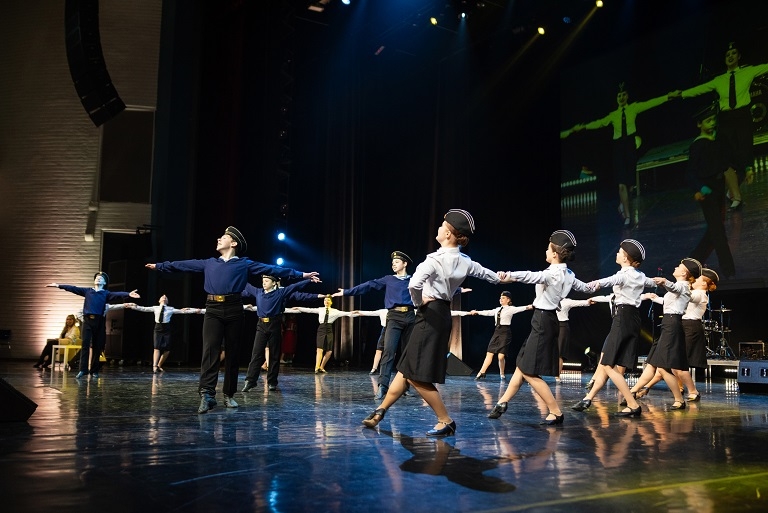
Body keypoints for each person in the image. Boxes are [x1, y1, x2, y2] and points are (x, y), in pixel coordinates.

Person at [145, 226, 320, 414]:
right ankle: (207, 394)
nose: (219, 239)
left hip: (234, 308)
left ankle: (229, 394)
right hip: (213, 308)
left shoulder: (244, 264)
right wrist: (160, 266)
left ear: (234, 243)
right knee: (210, 350)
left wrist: (301, 275)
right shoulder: (209, 263)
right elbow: (184, 265)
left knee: (232, 352)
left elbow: (272, 268)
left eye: (223, 237)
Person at [361, 209, 501, 436]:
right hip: (443, 314)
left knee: (415, 375)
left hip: (429, 315)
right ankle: (380, 410)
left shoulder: (434, 260)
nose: (438, 228)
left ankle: (445, 420)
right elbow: (493, 277)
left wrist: (419, 303)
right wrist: (509, 276)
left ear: (448, 234)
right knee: (406, 369)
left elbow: (414, 285)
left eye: (442, 226)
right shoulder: (465, 261)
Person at [487, 230, 593, 425]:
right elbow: (585, 288)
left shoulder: (552, 273)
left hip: (543, 320)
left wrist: (507, 275)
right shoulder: (569, 274)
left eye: (547, 248)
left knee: (529, 371)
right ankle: (502, 403)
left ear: (555, 254)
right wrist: (596, 286)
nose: (545, 251)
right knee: (523, 364)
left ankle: (556, 411)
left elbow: (529, 276)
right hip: (545, 320)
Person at [562, 83, 679, 226]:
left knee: (630, 185)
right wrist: (584, 127)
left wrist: (668, 96)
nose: (621, 97)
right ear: (616, 98)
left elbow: (651, 103)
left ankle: (622, 204)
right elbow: (600, 123)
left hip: (630, 145)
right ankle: (628, 217)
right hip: (618, 147)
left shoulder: (634, 108)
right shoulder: (613, 115)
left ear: (627, 96)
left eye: (623, 95)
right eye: (619, 95)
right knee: (621, 184)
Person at [570, 239, 655, 417]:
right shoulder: (639, 275)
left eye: (619, 252)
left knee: (607, 364)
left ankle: (632, 404)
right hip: (632, 320)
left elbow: (609, 281)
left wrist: (592, 284)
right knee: (606, 362)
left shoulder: (624, 274)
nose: (616, 253)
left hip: (622, 319)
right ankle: (588, 398)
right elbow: (651, 282)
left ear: (625, 258)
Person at [680, 42, 767, 210]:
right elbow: (700, 89)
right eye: (728, 54)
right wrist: (681, 94)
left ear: (739, 56)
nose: (730, 56)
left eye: (734, 53)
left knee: (744, 158)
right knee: (726, 158)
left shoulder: (748, 71)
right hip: (726, 119)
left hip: (742, 117)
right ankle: (736, 196)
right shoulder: (719, 80)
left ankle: (733, 192)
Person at [332, 251, 415, 399]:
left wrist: (456, 290)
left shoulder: (414, 280)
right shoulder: (389, 279)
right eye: (392, 262)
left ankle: (404, 385)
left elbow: (434, 287)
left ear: (405, 264)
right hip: (394, 316)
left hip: (410, 316)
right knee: (388, 351)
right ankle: (383, 385)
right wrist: (347, 292)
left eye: (397, 262)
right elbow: (368, 285)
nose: (393, 264)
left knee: (408, 353)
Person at [634, 268, 718, 402]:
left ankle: (691, 391)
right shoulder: (690, 292)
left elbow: (687, 296)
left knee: (676, 365)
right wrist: (655, 298)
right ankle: (649, 388)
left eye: (698, 279)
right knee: (670, 364)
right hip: (681, 325)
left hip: (690, 328)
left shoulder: (700, 294)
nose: (694, 280)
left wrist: (676, 285)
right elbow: (675, 301)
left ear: (704, 283)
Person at [627, 258, 702, 410]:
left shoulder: (683, 286)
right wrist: (655, 298)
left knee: (662, 368)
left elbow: (675, 288)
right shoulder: (679, 287)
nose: (675, 267)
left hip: (672, 325)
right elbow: (670, 301)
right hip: (668, 324)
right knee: (652, 364)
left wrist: (664, 282)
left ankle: (679, 399)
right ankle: (632, 392)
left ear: (684, 273)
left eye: (679, 266)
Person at [46, 272, 140, 379]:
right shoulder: (88, 291)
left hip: (99, 321)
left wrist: (128, 294)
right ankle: (83, 370)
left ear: (104, 283)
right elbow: (73, 288)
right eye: (97, 278)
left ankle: (94, 371)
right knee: (85, 345)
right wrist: (58, 285)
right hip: (87, 321)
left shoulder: (106, 294)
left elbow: (117, 294)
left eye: (101, 278)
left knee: (97, 346)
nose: (98, 279)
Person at [241, 276, 320, 392]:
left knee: (274, 354)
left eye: (266, 281)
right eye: (263, 281)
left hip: (274, 325)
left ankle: (272, 382)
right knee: (256, 354)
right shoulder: (258, 292)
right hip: (261, 325)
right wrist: (235, 273)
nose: (264, 283)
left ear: (274, 283)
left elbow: (295, 286)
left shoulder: (280, 293)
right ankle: (250, 381)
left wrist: (309, 280)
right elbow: (246, 284)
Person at [688, 103, 737, 277]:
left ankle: (692, 262)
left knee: (714, 231)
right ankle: (729, 271)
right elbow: (690, 173)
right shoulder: (697, 145)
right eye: (708, 121)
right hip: (706, 192)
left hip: (718, 188)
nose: (712, 123)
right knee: (718, 233)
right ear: (699, 124)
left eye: (713, 120)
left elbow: (726, 160)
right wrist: (699, 188)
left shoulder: (717, 140)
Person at [125, 295, 200, 373]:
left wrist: (194, 310)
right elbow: (143, 309)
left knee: (167, 350)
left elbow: (182, 311)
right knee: (156, 347)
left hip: (166, 329)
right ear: (159, 300)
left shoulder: (171, 309)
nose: (164, 297)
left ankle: (159, 365)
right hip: (158, 328)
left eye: (166, 297)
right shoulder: (155, 308)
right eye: (162, 297)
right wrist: (133, 306)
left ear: (167, 301)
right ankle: (154, 366)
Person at [470, 292, 532, 382]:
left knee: (501, 356)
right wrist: (477, 312)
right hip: (497, 332)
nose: (501, 299)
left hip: (505, 332)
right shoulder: (497, 309)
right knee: (489, 353)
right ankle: (481, 372)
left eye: (503, 298)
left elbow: (522, 308)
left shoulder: (511, 309)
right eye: (500, 298)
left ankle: (502, 373)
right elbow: (488, 312)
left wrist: (531, 306)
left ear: (508, 300)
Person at [289, 295, 355, 373]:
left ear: (331, 302)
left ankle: (322, 367)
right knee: (319, 349)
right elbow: (309, 310)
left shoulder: (335, 311)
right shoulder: (320, 309)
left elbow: (346, 313)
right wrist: (299, 308)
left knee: (329, 351)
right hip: (321, 329)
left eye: (328, 300)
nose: (326, 302)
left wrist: (356, 312)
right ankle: (316, 367)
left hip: (329, 329)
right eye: (325, 300)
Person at [555, 297, 593, 381]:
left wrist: (588, 302)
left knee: (560, 351)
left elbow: (578, 302)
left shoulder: (566, 301)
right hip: (551, 325)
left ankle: (557, 375)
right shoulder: (550, 300)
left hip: (562, 326)